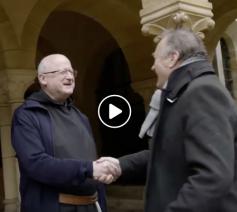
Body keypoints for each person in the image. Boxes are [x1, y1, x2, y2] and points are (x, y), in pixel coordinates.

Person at [97, 28, 237, 212]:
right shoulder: (185, 92)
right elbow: (170, 152)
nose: (152, 66)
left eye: (155, 58)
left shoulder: (202, 92)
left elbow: (212, 176)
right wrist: (120, 165)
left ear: (172, 58)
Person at [11, 54, 118, 212]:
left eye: (71, 71)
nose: (69, 77)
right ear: (43, 79)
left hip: (92, 205)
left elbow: (91, 162)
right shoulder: (27, 115)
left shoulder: (81, 117)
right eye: (62, 72)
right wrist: (89, 169)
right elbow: (35, 163)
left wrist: (101, 173)